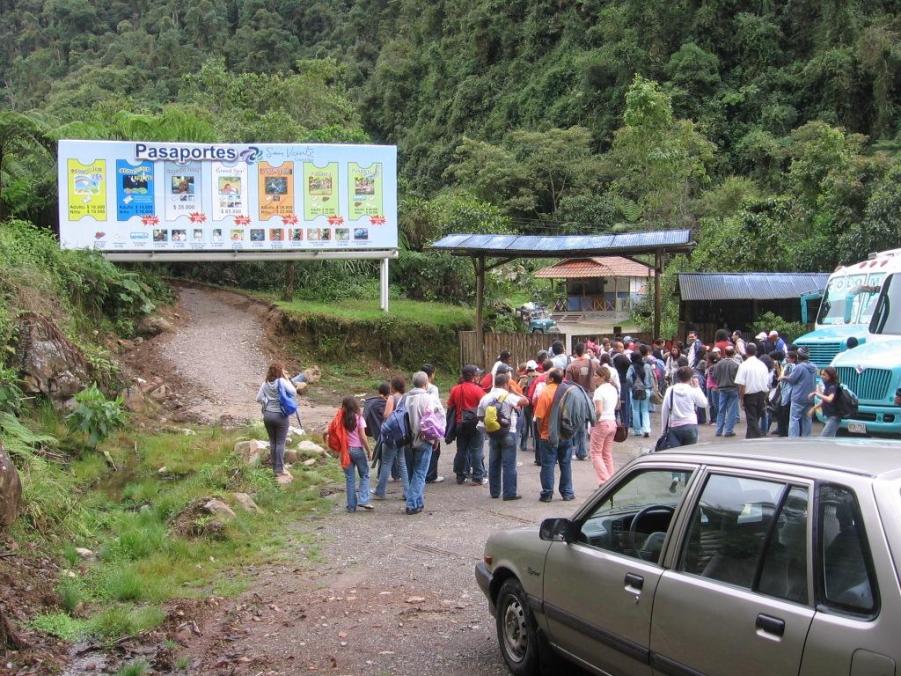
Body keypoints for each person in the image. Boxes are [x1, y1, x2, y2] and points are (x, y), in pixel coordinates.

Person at [534, 369, 589, 503]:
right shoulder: (569, 391)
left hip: (549, 435)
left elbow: (539, 417)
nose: (545, 378)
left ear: (552, 379)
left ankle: (547, 493)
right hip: (566, 434)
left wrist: (541, 431)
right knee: (565, 464)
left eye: (547, 376)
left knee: (548, 465)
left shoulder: (545, 392)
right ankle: (567, 492)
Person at [478, 372, 526, 500]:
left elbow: (480, 415)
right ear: (506, 384)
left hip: (493, 433)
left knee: (494, 463)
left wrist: (491, 424)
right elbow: (526, 401)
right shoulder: (508, 396)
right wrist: (514, 392)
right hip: (508, 431)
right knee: (509, 464)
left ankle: (494, 492)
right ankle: (509, 493)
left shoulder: (486, 397)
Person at [402, 372, 443, 515]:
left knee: (412, 472)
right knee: (420, 473)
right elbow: (437, 418)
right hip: (424, 439)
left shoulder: (404, 398)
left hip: (406, 441)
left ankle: (418, 502)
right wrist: (437, 439)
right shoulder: (429, 398)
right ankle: (412, 504)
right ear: (426, 384)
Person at [447, 365, 487, 486]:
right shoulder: (478, 390)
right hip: (475, 424)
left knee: (461, 450)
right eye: (477, 375)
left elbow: (450, 406)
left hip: (460, 424)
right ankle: (477, 476)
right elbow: (486, 405)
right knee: (476, 450)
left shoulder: (455, 389)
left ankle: (460, 475)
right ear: (473, 377)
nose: (479, 377)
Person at [256, 363, 297, 477]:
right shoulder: (282, 381)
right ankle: (279, 469)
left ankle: (274, 468)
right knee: (280, 443)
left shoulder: (265, 383)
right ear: (280, 371)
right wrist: (287, 379)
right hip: (280, 416)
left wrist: (267, 401)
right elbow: (293, 391)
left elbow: (258, 398)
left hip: (268, 415)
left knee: (272, 442)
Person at [337, 396, 374, 512]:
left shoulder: (340, 420)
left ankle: (351, 506)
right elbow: (363, 437)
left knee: (350, 478)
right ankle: (363, 500)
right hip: (357, 450)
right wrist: (368, 450)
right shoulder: (359, 418)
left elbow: (332, 431)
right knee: (364, 474)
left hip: (345, 451)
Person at [659, 366, 708, 447]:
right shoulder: (692, 390)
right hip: (690, 425)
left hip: (674, 425)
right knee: (689, 452)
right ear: (691, 377)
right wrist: (697, 387)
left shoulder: (670, 390)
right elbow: (703, 403)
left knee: (675, 453)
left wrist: (663, 430)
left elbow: (665, 410)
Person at [564, 342, 594, 460]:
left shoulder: (571, 366)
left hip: (578, 397)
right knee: (591, 422)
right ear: (585, 350)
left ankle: (580, 450)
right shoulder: (594, 363)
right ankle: (590, 449)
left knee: (579, 424)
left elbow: (568, 384)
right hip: (591, 395)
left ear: (575, 352)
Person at [589, 368, 618, 485]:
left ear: (602, 377)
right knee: (606, 453)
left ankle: (604, 480)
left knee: (595, 453)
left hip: (601, 423)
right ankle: (611, 479)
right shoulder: (613, 389)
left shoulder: (599, 391)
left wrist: (593, 422)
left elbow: (598, 410)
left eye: (596, 375)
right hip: (612, 422)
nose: (594, 378)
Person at [734, 343, 770, 439]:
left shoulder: (744, 365)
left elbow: (741, 384)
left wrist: (741, 398)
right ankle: (750, 436)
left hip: (749, 395)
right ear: (756, 352)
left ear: (746, 353)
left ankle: (756, 436)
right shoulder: (762, 365)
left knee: (751, 418)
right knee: (756, 417)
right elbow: (766, 383)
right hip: (761, 393)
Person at [780, 348, 817, 438]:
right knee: (807, 418)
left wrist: (783, 377)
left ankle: (793, 438)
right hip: (810, 397)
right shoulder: (814, 367)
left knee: (794, 419)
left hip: (798, 397)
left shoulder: (799, 367)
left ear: (798, 356)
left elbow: (792, 380)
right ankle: (807, 437)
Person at [421, 364, 445, 484]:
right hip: (431, 422)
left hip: (420, 420)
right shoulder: (433, 388)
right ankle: (431, 475)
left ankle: (424, 473)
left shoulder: (417, 387)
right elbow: (434, 406)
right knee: (435, 448)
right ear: (432, 374)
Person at [711, 346, 740, 436]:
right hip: (733, 388)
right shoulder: (736, 364)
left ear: (725, 352)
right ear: (733, 353)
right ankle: (728, 430)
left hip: (722, 389)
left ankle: (719, 430)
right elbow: (739, 378)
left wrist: (719, 382)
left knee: (721, 409)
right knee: (731, 410)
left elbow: (714, 376)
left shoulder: (719, 364)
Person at [626, 351, 654, 438]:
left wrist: (632, 385)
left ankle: (637, 430)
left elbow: (627, 377)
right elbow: (651, 377)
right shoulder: (647, 366)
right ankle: (646, 429)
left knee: (635, 410)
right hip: (646, 390)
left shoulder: (632, 366)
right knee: (645, 410)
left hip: (635, 390)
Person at [811, 367, 842, 437]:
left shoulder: (833, 386)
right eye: (821, 374)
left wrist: (816, 393)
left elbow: (829, 399)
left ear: (830, 375)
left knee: (823, 438)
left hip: (834, 417)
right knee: (829, 439)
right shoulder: (828, 385)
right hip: (829, 416)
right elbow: (824, 401)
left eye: (824, 375)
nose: (822, 376)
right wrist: (813, 408)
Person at [517, 361, 539, 453]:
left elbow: (518, 389)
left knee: (525, 425)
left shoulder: (523, 379)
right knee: (534, 425)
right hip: (535, 403)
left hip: (526, 403)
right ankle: (535, 445)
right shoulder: (539, 377)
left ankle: (523, 445)